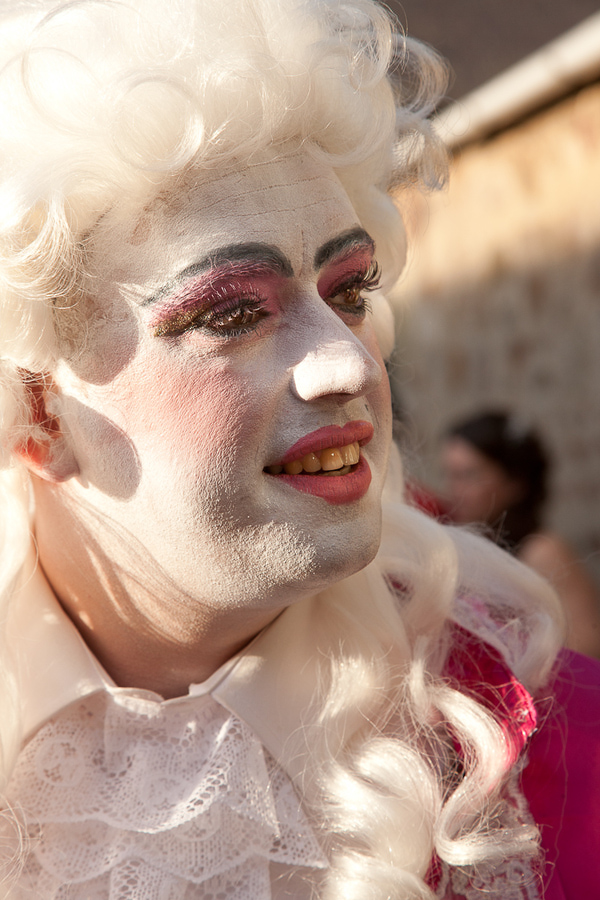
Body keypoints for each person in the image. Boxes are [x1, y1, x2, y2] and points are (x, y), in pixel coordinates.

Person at [0, 2, 595, 898]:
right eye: (232, 312)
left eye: (350, 292)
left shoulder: (554, 753)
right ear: (38, 412)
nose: (350, 361)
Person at [442, 411, 600, 658]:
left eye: (470, 475)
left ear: (514, 482)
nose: (456, 490)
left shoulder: (543, 551)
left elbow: (587, 647)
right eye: (451, 475)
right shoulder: (470, 550)